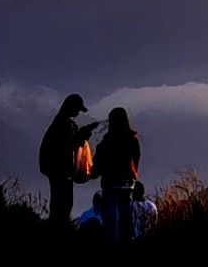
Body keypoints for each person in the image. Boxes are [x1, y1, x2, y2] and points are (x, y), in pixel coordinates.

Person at [39, 94, 99, 228]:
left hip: (58, 170)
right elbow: (68, 145)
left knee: (60, 203)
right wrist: (82, 135)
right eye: (77, 109)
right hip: (61, 170)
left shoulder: (60, 123)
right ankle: (59, 229)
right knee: (63, 204)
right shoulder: (64, 125)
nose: (78, 112)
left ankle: (57, 228)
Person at [90, 105, 144, 245]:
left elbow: (98, 161)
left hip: (110, 182)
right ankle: (128, 241)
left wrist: (93, 171)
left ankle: (112, 244)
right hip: (127, 182)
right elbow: (136, 160)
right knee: (126, 214)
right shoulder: (133, 140)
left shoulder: (107, 141)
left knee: (111, 217)